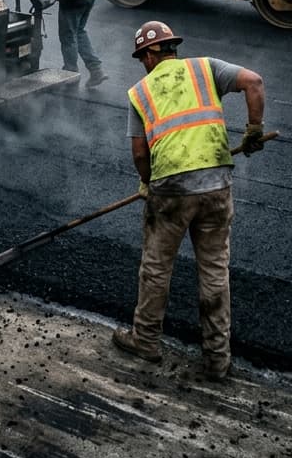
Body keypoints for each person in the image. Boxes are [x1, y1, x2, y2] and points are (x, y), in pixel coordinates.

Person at [112, 20, 268, 381]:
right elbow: (254, 82)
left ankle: (146, 341)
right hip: (216, 185)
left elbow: (139, 152)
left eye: (142, 58)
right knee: (215, 271)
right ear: (172, 47)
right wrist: (254, 130)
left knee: (156, 268)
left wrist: (147, 183)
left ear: (151, 53)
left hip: (171, 193)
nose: (143, 64)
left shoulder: (140, 91)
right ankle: (217, 359)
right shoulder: (205, 68)